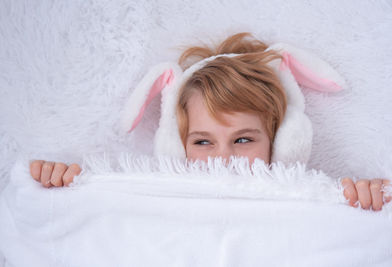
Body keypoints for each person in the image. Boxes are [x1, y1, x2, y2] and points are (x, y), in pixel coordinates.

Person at [30, 33, 390, 211]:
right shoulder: (148, 198)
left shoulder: (312, 202)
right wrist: (64, 194)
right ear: (176, 145)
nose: (223, 158)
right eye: (202, 142)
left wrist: (369, 205)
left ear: (281, 143)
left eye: (244, 139)